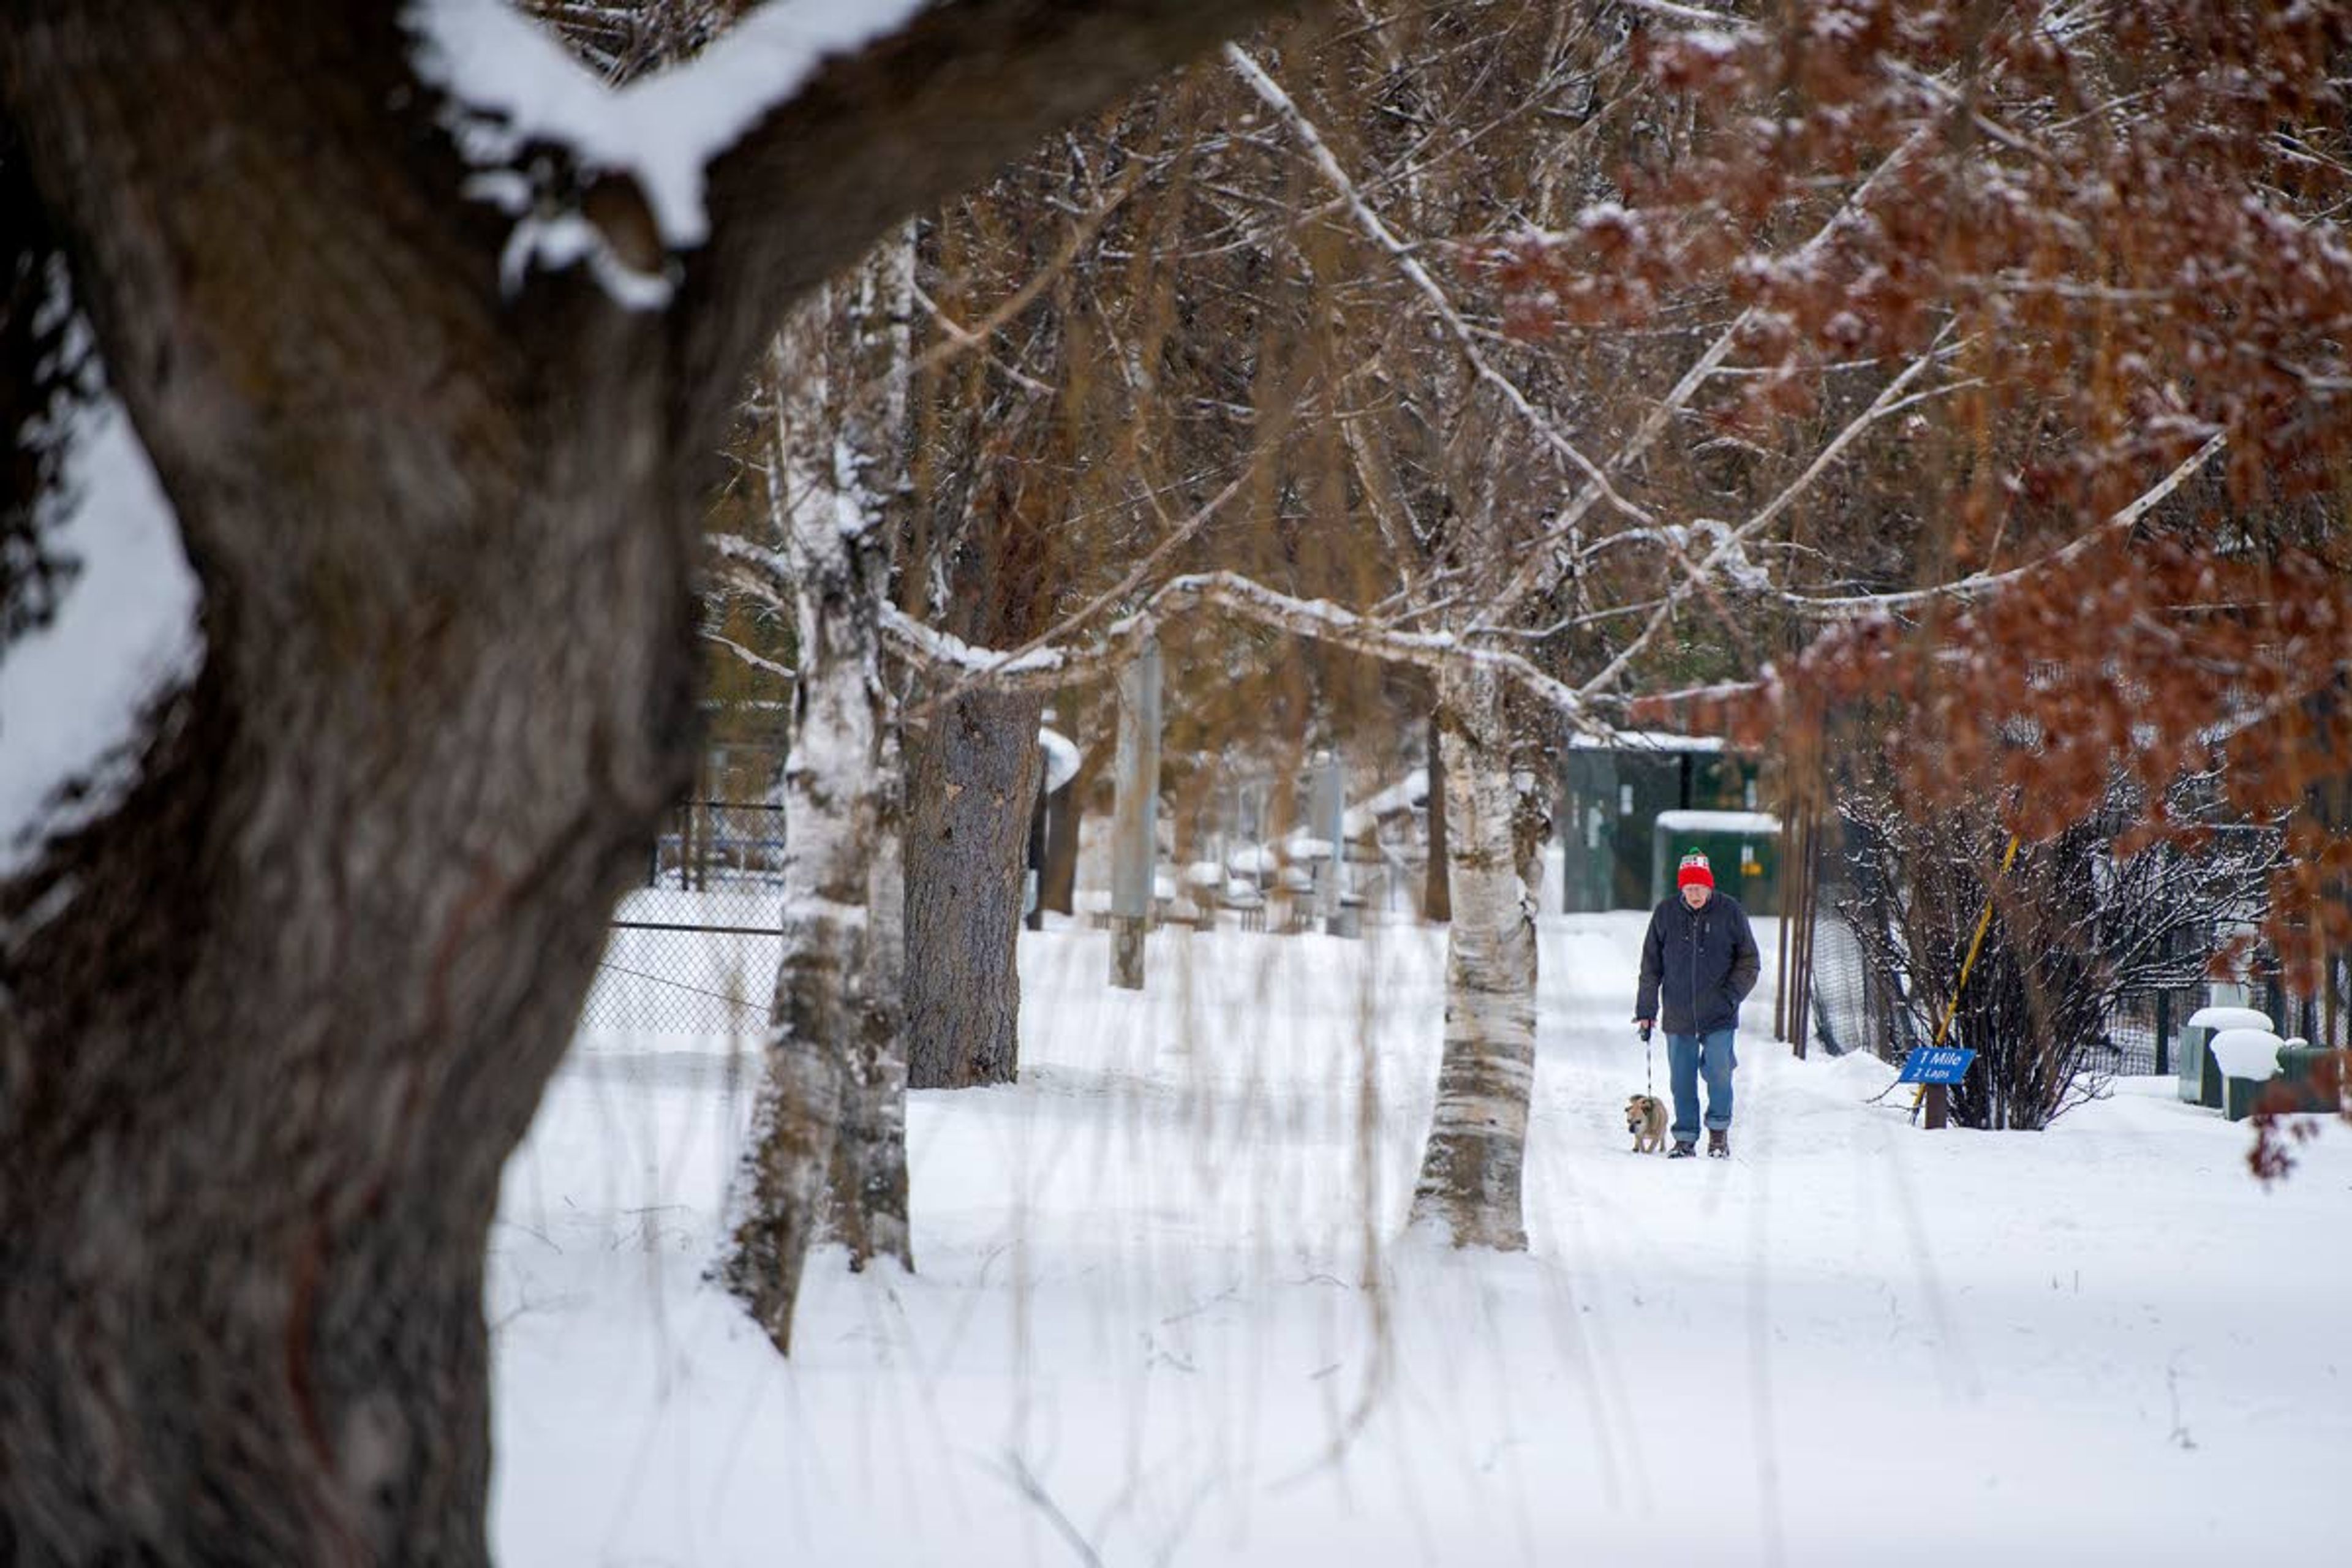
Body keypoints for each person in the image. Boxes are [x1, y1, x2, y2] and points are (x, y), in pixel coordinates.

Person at [1634, 848, 1762, 1159]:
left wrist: (1730, 996)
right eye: (1689, 888)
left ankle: (1718, 1134)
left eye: (1700, 888)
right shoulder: (1665, 914)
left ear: (1710, 886)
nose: (1695, 894)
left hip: (1720, 1013)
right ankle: (1686, 1137)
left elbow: (1750, 962)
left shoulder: (1730, 912)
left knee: (1719, 1071)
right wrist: (1646, 1012)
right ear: (1682, 888)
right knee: (1682, 1079)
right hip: (1678, 1014)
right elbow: (1651, 967)